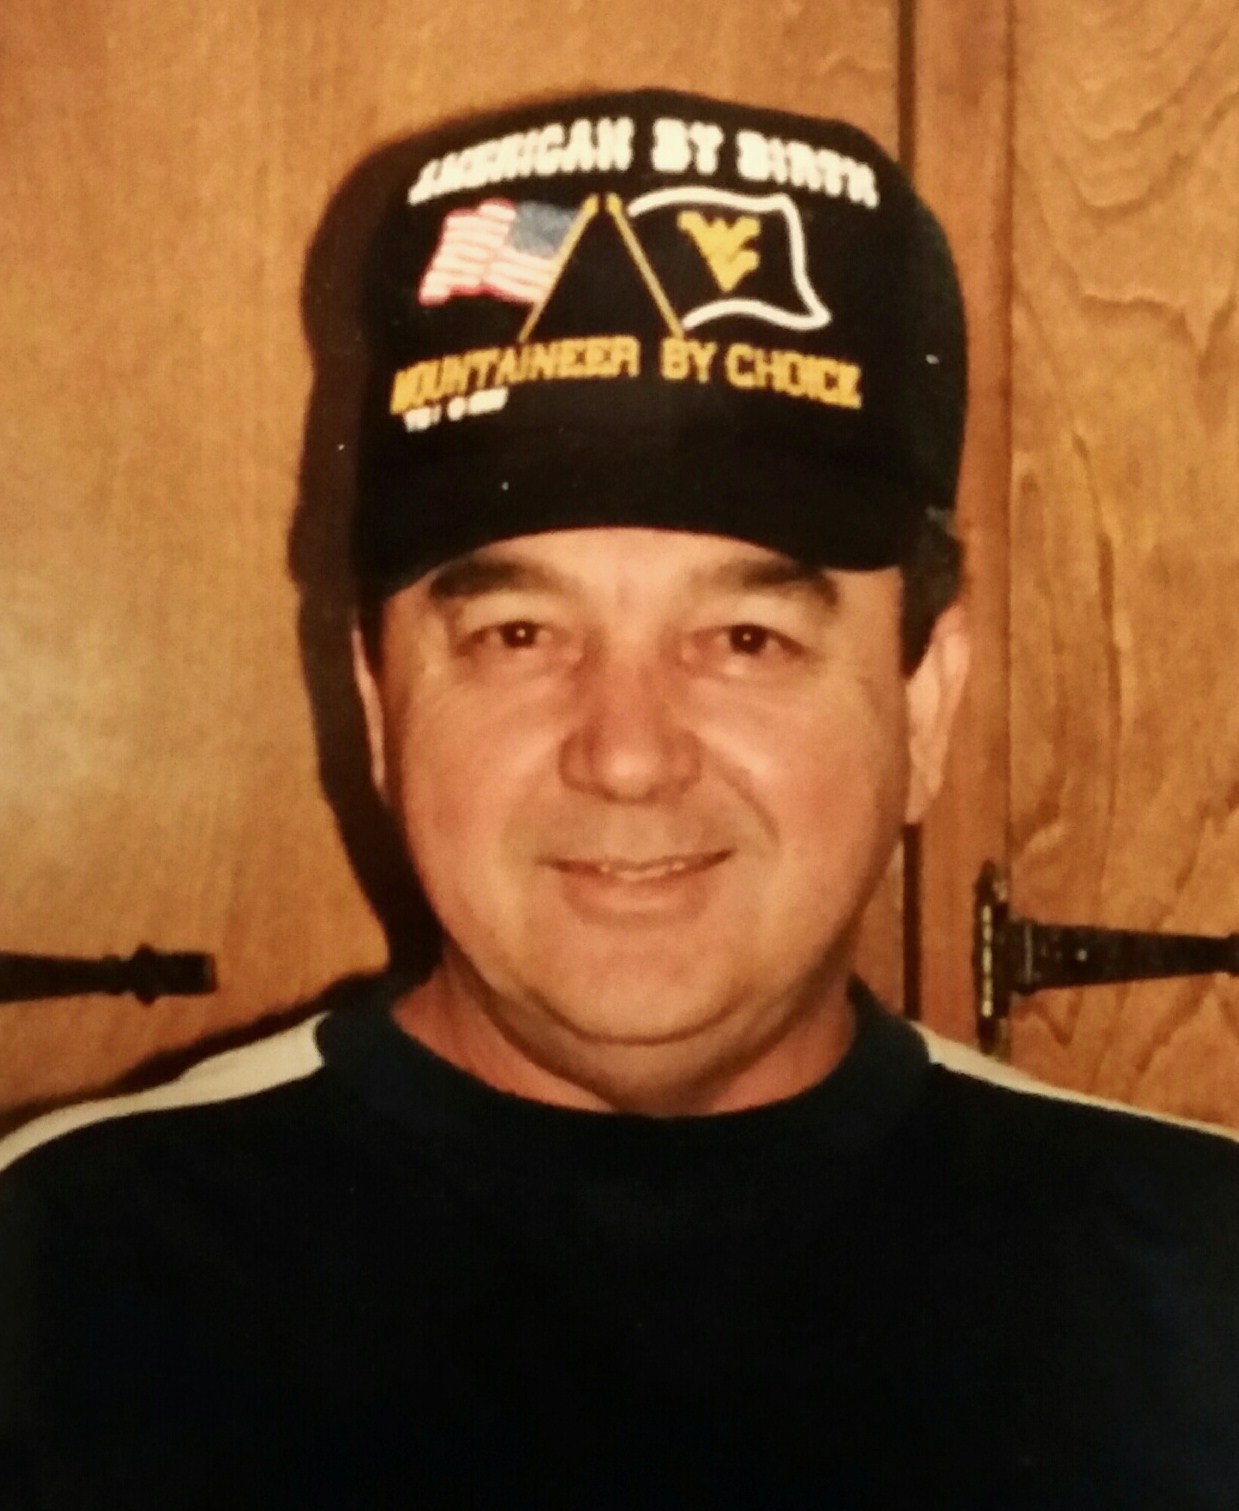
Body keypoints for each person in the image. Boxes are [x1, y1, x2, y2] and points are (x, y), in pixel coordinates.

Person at [1, 88, 1236, 1509]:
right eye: (519, 636)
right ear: (379, 707)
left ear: (924, 703)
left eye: (746, 639)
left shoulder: (1199, 1283)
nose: (628, 753)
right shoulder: (62, 1274)